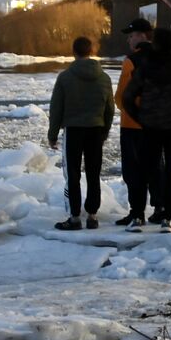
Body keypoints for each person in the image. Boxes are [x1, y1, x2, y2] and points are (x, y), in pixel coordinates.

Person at [121, 27, 171, 233]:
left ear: (156, 43)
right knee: (170, 171)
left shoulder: (146, 68)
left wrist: (139, 118)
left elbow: (127, 97)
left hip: (149, 126)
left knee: (143, 169)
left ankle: (138, 215)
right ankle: (167, 216)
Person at [47, 36, 115, 231]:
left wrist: (52, 134)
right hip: (96, 129)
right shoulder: (104, 78)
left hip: (73, 130)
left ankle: (74, 216)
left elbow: (56, 108)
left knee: (72, 174)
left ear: (74, 52)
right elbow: (109, 108)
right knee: (94, 173)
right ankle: (92, 216)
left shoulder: (65, 77)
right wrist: (105, 130)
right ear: (91, 51)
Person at [114, 17, 161, 228]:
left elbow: (121, 98)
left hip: (133, 126)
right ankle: (160, 211)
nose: (128, 40)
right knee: (156, 168)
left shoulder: (131, 61)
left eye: (131, 36)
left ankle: (137, 213)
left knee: (134, 170)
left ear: (142, 35)